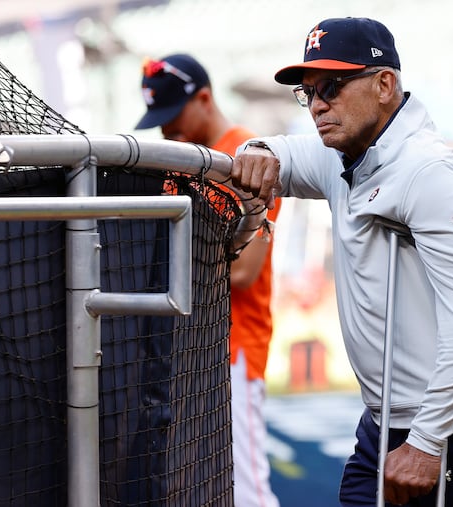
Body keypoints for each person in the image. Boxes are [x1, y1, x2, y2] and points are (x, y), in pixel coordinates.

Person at [229, 17, 453, 507]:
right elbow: (273, 152)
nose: (318, 105)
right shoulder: (341, 154)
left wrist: (427, 442)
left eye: (331, 86)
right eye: (308, 94)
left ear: (385, 84)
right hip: (390, 417)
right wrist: (255, 149)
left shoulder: (429, 173)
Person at [134, 53, 281, 507]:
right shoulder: (183, 164)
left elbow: (244, 270)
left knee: (248, 488)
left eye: (172, 116)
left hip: (234, 348)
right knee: (193, 485)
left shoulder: (249, 156)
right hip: (184, 349)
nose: (164, 131)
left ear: (203, 98)